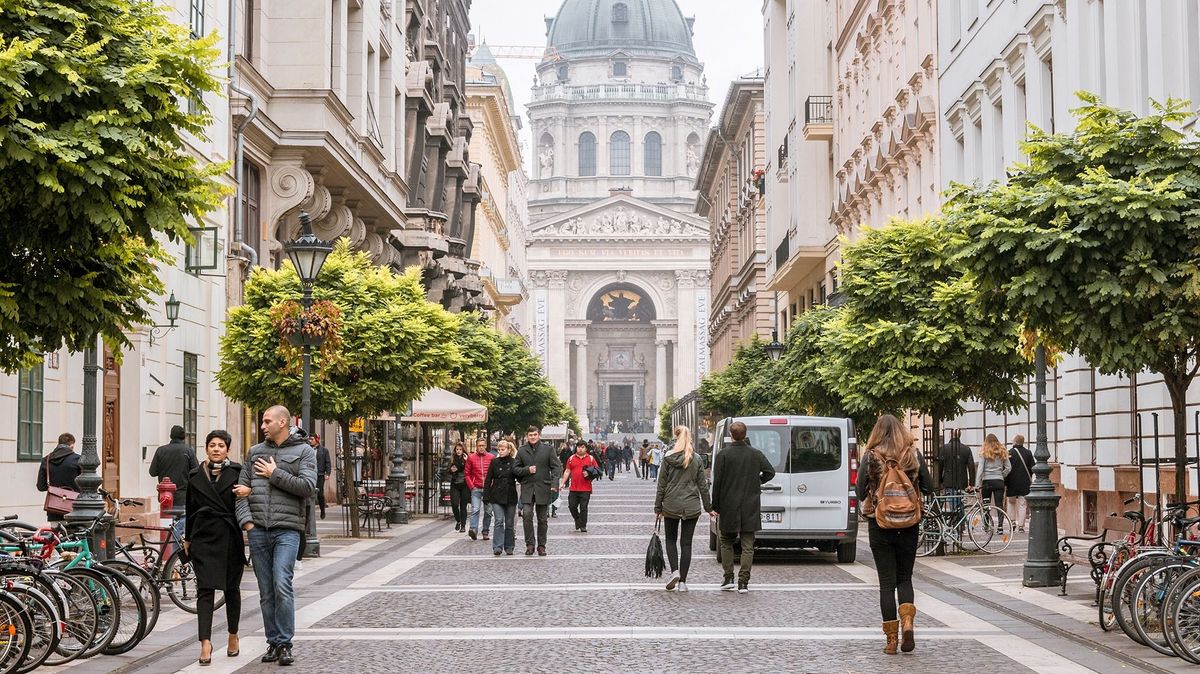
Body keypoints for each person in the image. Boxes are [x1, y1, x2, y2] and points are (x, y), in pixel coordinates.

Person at [233, 406, 316, 667]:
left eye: (267, 421)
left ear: (283, 422)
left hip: (287, 530)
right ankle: (273, 642)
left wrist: (274, 474)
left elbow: (307, 487)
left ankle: (285, 642)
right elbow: (241, 490)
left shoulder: (304, 451)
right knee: (266, 590)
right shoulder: (255, 452)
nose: (263, 425)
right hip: (258, 531)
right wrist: (247, 523)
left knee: (282, 583)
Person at [856, 414, 934, 655]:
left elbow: (859, 492)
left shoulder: (871, 456)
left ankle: (891, 640)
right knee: (905, 578)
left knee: (886, 584)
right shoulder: (913, 454)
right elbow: (930, 487)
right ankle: (908, 623)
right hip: (909, 524)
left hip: (880, 525)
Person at [185, 430, 249, 666]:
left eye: (221, 445)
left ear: (227, 450)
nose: (216, 449)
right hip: (203, 537)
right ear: (206, 448)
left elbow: (244, 503)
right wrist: (187, 538)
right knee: (205, 590)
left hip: (229, 536)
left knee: (231, 588)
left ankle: (233, 634)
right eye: (212, 445)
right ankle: (205, 642)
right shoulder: (195, 475)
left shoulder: (238, 472)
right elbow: (189, 510)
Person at [711, 421, 775, 594]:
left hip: (728, 504)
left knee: (726, 541)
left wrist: (714, 505)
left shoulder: (723, 455)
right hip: (750, 504)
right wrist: (757, 482)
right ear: (746, 434)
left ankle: (728, 577)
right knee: (748, 545)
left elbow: (717, 483)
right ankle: (743, 582)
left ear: (731, 435)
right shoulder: (755, 454)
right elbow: (770, 472)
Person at [654, 426, 713, 593]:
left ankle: (675, 571)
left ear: (675, 439)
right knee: (686, 543)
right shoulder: (696, 459)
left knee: (671, 540)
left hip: (671, 504)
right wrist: (709, 508)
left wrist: (658, 507)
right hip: (691, 506)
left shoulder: (668, 458)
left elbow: (662, 485)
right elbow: (703, 486)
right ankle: (683, 582)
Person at [515, 426, 563, 556]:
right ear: (527, 436)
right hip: (528, 488)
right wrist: (527, 470)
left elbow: (556, 467)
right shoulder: (521, 450)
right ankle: (530, 544)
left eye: (535, 435)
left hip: (543, 488)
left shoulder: (548, 449)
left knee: (542, 519)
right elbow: (515, 469)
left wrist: (554, 483)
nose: (533, 437)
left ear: (539, 435)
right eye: (530, 435)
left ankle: (541, 546)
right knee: (527, 515)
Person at [150, 424, 199, 517]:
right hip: (183, 495)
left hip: (164, 495)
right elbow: (196, 472)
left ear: (171, 436)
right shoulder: (188, 451)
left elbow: (152, 472)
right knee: (181, 523)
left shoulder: (160, 450)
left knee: (166, 522)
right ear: (183, 436)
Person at [483, 440, 519, 556]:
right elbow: (488, 479)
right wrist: (486, 495)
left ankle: (509, 546)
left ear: (509, 450)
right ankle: (497, 546)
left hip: (510, 494)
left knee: (509, 523)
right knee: (499, 521)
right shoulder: (494, 462)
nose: (500, 451)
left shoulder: (514, 462)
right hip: (496, 495)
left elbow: (519, 477)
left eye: (503, 449)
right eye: (499, 449)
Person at [36, 433, 81, 522]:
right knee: (73, 535)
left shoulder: (46, 460)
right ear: (72, 445)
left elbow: (41, 486)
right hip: (74, 509)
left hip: (54, 510)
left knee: (56, 535)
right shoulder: (77, 459)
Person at [560, 441, 600, 533]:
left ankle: (583, 525)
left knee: (584, 507)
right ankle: (577, 519)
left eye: (582, 447)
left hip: (586, 488)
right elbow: (567, 471)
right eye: (578, 447)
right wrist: (562, 483)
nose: (580, 449)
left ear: (586, 448)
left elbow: (597, 471)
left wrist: (589, 474)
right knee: (571, 506)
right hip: (573, 488)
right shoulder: (571, 458)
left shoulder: (590, 458)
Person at [936, 429, 975, 515]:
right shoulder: (966, 449)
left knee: (953, 504)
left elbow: (939, 466)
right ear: (960, 436)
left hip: (948, 481)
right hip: (962, 481)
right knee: (959, 502)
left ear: (950, 435)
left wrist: (939, 481)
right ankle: (960, 523)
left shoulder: (944, 448)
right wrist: (972, 483)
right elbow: (971, 467)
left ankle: (957, 523)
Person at [975, 434, 1011, 524]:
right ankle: (1000, 526)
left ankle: (987, 525)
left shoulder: (984, 452)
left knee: (986, 505)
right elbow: (1008, 467)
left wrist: (977, 484)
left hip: (987, 481)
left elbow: (980, 469)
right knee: (999, 505)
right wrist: (1001, 475)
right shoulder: (1002, 451)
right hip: (999, 481)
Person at [465, 437, 495, 540]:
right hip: (476, 488)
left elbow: (494, 473)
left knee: (488, 511)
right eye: (479, 446)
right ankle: (473, 529)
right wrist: (472, 486)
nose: (481, 447)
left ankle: (485, 531)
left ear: (485, 446)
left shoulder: (491, 457)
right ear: (476, 446)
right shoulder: (471, 457)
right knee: (475, 509)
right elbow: (467, 474)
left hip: (488, 489)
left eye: (483, 445)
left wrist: (492, 485)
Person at [1006, 435, 1034, 531]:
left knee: (1011, 502)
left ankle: (1012, 522)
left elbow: (1006, 468)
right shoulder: (1028, 453)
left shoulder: (1009, 453)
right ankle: (1021, 526)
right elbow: (1033, 467)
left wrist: (1006, 482)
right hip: (1024, 482)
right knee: (1023, 504)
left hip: (1011, 482)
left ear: (1015, 442)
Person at [447, 442, 469, 532]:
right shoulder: (452, 459)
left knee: (463, 506)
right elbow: (448, 470)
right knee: (454, 504)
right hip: (455, 484)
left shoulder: (467, 459)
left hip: (465, 484)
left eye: (460, 449)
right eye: (457, 449)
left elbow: (469, 468)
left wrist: (466, 461)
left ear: (463, 450)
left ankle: (463, 526)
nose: (458, 451)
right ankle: (458, 520)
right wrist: (451, 470)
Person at [309, 435, 332, 520]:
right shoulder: (308, 449)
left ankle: (322, 511)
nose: (310, 441)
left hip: (320, 474)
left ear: (317, 440)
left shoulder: (324, 450)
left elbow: (328, 463)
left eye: (312, 439)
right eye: (309, 439)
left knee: (320, 494)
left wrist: (327, 473)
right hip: (310, 474)